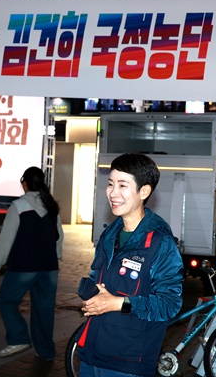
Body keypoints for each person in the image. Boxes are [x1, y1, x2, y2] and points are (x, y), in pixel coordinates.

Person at [75, 153, 184, 377]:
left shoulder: (159, 242)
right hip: (91, 355)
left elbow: (169, 303)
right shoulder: (109, 234)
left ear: (144, 191)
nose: (113, 193)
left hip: (128, 363)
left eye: (123, 185)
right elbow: (100, 279)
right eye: (111, 184)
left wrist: (120, 303)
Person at [0, 166, 64, 361]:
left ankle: (19, 338)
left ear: (25, 183)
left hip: (24, 265)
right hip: (48, 267)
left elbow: (7, 237)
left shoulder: (18, 205)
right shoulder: (51, 206)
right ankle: (46, 352)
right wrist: (56, 257)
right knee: (44, 310)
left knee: (6, 300)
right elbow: (58, 237)